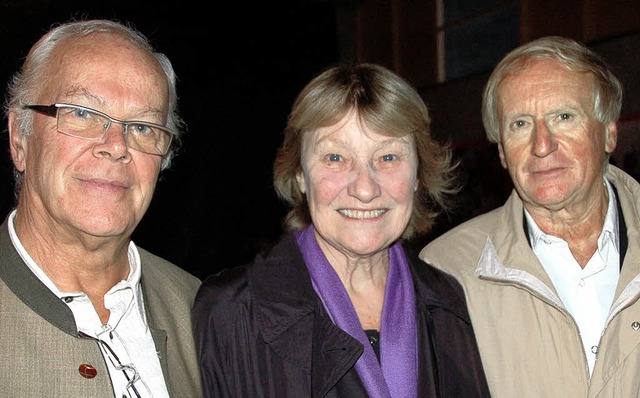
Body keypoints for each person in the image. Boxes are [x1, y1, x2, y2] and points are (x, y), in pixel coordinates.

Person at [192, 63, 491, 397]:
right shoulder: (229, 312)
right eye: (335, 158)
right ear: (301, 175)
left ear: (418, 175)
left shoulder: (455, 305)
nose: (365, 189)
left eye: (388, 157)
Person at [420, 36, 637, 397]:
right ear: (502, 152)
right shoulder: (446, 272)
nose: (541, 145)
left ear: (609, 134)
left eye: (564, 117)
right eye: (520, 124)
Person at [0, 19, 203, 397]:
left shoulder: (204, 313)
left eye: (143, 126)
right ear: (20, 138)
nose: (117, 145)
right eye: (82, 113)